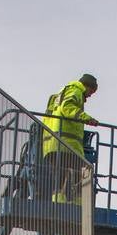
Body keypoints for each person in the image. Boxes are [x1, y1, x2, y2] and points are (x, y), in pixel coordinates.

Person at [39, 73, 99, 204]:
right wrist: (87, 118)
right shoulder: (75, 90)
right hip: (65, 142)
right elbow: (67, 108)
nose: (90, 95)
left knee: (60, 173)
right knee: (83, 169)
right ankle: (79, 204)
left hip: (53, 143)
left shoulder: (60, 94)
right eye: (91, 91)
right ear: (87, 86)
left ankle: (58, 201)